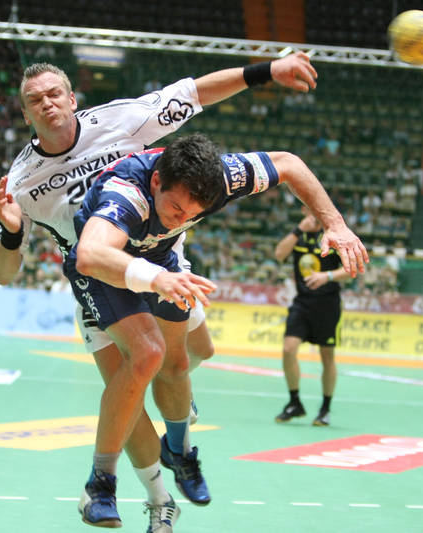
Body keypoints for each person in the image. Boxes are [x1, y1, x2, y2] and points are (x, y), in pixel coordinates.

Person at [0, 56, 319, 531]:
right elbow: (1, 273)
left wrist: (267, 72)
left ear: (72, 98)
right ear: (25, 114)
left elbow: (195, 94)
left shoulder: (119, 120)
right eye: (34, 100)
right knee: (136, 374)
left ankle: (175, 420)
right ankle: (153, 496)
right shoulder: (20, 183)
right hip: (100, 275)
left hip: (161, 255)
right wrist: (12, 235)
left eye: (54, 93)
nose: (47, 103)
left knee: (192, 356)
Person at [65, 134, 367, 527]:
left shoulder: (225, 178)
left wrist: (336, 224)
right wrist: (156, 279)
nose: (182, 219)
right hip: (106, 270)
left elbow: (289, 163)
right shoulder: (127, 193)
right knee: (148, 354)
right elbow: (90, 255)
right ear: (156, 181)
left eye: (193, 213)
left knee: (177, 365)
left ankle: (179, 452)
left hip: (160, 258)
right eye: (176, 208)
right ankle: (100, 484)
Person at [272, 205, 352, 427]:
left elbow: (351, 269)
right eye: (309, 208)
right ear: (304, 210)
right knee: (288, 349)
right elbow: (279, 254)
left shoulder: (335, 235)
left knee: (327, 357)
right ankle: (294, 402)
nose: (314, 212)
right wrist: (298, 230)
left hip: (328, 305)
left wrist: (327, 276)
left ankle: (325, 409)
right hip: (302, 303)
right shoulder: (298, 234)